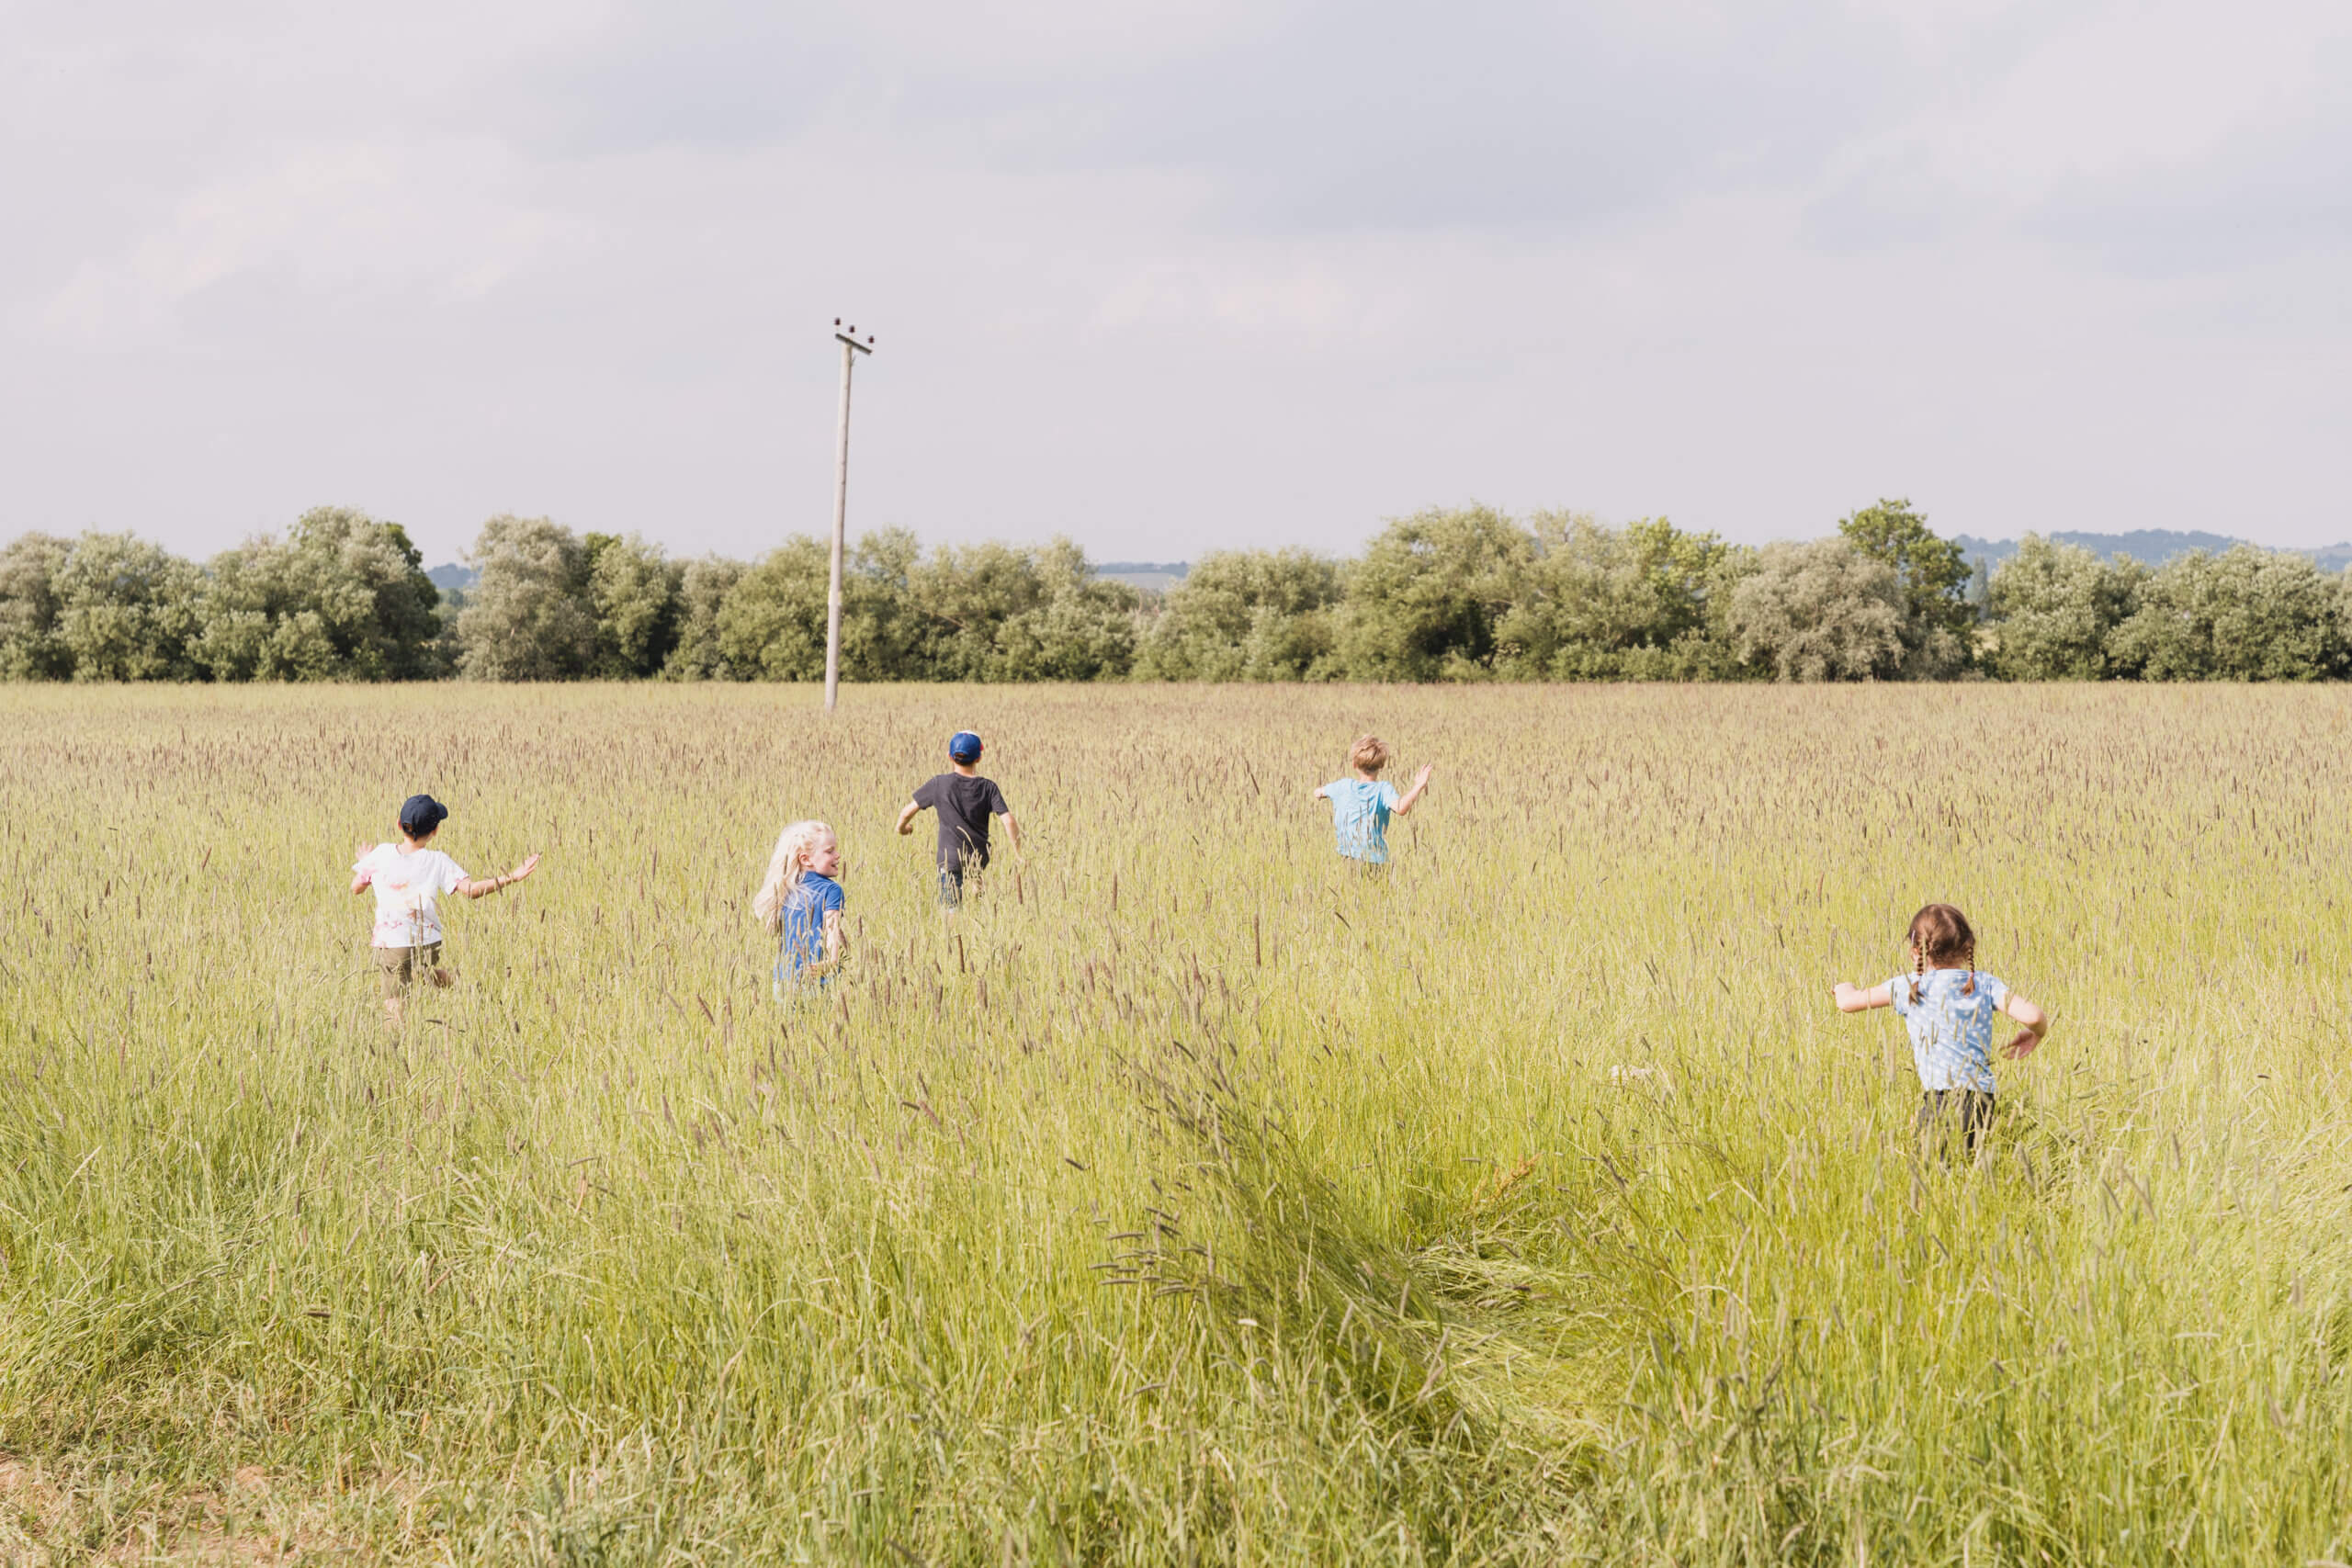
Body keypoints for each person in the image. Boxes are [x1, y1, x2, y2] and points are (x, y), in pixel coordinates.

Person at [1830, 903, 2049, 1156]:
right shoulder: (1983, 983)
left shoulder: (1910, 986)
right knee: (1968, 1173)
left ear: (1915, 953)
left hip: (1940, 1098)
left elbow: (1847, 1003)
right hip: (1983, 1102)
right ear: (1968, 947)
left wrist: (1842, 986)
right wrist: (2036, 1034)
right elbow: (2034, 1015)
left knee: (1930, 1176)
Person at [350, 794, 541, 1025]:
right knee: (424, 971)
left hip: (393, 942)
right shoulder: (438, 860)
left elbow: (357, 889)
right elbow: (470, 890)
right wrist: (512, 876)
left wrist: (365, 864)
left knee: (394, 998)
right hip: (428, 940)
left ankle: (395, 1048)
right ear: (435, 831)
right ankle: (468, 989)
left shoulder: (380, 853)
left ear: (399, 824)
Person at [896, 730, 1022, 908]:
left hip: (950, 859)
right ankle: (976, 901)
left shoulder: (939, 783)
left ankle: (956, 927)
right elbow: (1008, 821)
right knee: (976, 893)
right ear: (979, 758)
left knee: (950, 909)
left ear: (949, 756)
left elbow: (907, 812)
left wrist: (902, 829)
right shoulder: (988, 787)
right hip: (978, 858)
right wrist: (1018, 853)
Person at [754, 819, 846, 1001]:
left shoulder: (785, 888)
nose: (837, 855)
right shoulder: (832, 890)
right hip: (815, 980)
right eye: (829, 851)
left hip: (782, 982)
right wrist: (831, 963)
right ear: (806, 859)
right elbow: (831, 931)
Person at [1313, 734, 1433, 867]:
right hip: (1376, 860)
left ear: (1354, 764)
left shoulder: (1343, 786)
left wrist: (1320, 793)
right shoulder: (1383, 789)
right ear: (1381, 765)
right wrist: (1418, 786)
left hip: (1347, 858)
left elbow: (1318, 792)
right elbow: (1401, 808)